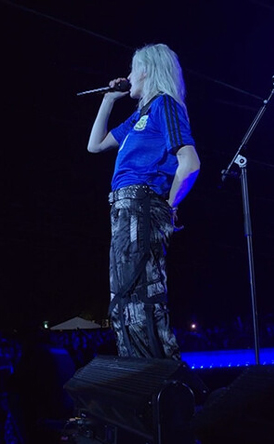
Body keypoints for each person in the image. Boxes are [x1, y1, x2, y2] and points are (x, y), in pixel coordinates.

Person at [86, 43, 201, 359]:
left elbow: (190, 162)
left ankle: (159, 375)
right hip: (124, 209)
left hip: (141, 205)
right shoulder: (141, 115)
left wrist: (169, 206)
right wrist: (109, 99)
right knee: (123, 300)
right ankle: (138, 372)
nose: (128, 75)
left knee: (140, 298)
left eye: (133, 68)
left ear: (147, 70)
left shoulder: (165, 104)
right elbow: (95, 145)